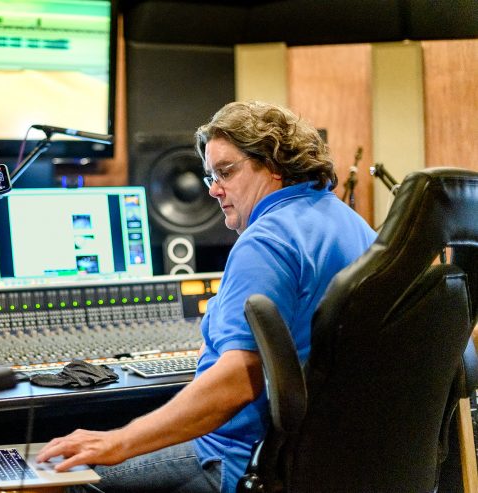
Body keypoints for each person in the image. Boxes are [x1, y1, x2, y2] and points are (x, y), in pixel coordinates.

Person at [36, 101, 377, 492]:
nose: (214, 189)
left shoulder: (266, 241)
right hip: (325, 460)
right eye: (210, 176)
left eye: (226, 172)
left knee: (76, 476)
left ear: (273, 164)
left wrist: (119, 441)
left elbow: (238, 379)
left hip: (238, 458)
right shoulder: (354, 225)